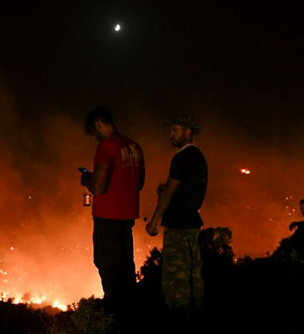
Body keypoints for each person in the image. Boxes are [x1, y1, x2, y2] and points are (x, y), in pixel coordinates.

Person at [80, 106, 145, 324]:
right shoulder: (134, 147)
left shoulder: (106, 147)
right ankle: (131, 318)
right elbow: (140, 183)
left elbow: (98, 187)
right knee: (126, 269)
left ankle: (115, 321)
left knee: (108, 268)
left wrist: (87, 179)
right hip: (126, 218)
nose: (94, 137)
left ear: (98, 124)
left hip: (107, 218)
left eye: (92, 132)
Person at [146, 114, 208, 318]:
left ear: (188, 131)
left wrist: (154, 220)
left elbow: (170, 192)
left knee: (176, 280)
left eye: (175, 129)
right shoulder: (199, 157)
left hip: (179, 226)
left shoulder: (182, 157)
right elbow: (185, 189)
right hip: (191, 224)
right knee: (193, 275)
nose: (170, 134)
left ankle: (180, 319)